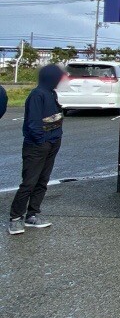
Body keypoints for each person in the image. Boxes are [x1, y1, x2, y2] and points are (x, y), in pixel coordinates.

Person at [8, 65, 65, 235]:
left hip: (52, 142)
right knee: (29, 182)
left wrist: (55, 138)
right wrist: (42, 140)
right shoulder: (37, 94)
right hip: (36, 145)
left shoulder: (51, 93)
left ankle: (32, 214)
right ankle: (16, 218)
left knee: (42, 180)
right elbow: (33, 124)